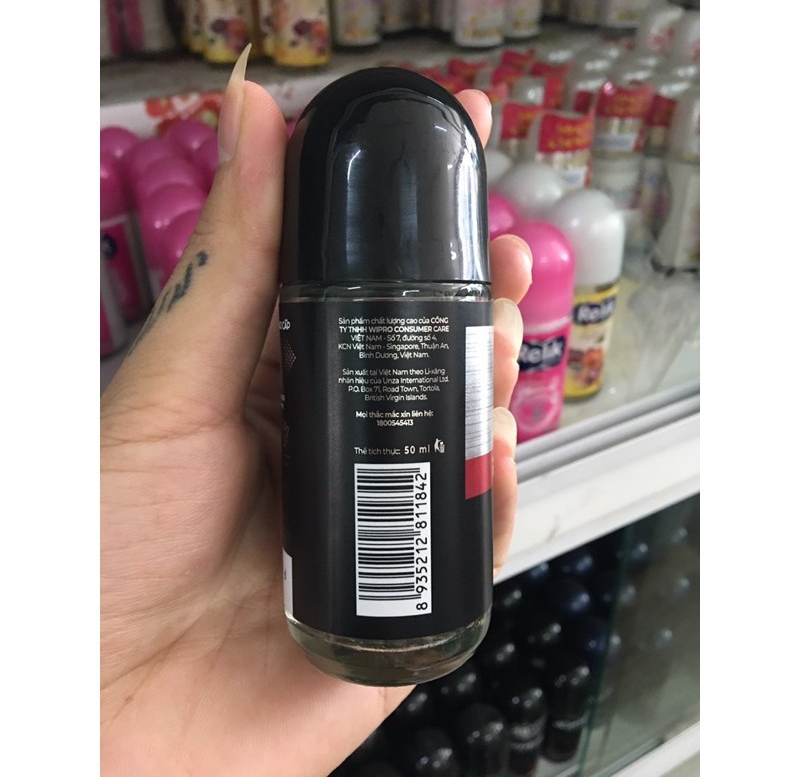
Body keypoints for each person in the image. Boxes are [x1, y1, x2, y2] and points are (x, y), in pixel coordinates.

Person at [100, 50, 533, 776]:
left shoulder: (439, 305)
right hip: (281, 629)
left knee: (474, 434)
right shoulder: (324, 305)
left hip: (381, 616)